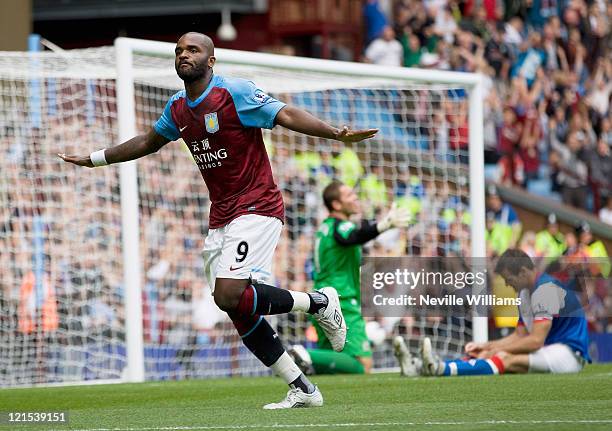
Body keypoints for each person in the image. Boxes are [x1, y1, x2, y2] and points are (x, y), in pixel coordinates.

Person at [58, 32, 378, 409]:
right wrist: (95, 159)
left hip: (258, 206)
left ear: (211, 60)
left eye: (192, 50)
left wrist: (334, 133)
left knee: (229, 293)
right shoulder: (178, 107)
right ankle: (302, 388)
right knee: (235, 307)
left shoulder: (234, 93)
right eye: (178, 51)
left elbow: (285, 113)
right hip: (222, 215)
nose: (183, 55)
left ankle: (319, 302)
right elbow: (147, 142)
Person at [394, 248, 590, 376]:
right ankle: (420, 367)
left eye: (508, 278)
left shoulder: (546, 289)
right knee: (490, 353)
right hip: (549, 347)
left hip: (569, 354)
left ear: (523, 272)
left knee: (503, 357)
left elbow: (535, 340)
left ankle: (439, 369)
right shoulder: (525, 293)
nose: (506, 284)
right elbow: (520, 335)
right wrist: (487, 345)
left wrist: (496, 350)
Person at [289, 180, 411, 375]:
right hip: (341, 301)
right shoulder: (340, 226)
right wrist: (384, 225)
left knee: (332, 366)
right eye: (349, 195)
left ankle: (309, 364)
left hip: (321, 299)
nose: (355, 197)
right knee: (363, 364)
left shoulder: (325, 228)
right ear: (336, 204)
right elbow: (353, 236)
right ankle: (305, 355)